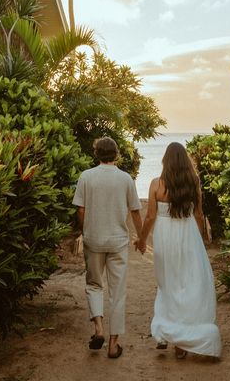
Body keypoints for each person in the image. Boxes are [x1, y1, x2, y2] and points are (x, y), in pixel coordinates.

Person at [135, 142, 221, 359]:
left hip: (165, 239)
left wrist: (142, 240)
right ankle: (179, 341)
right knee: (188, 283)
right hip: (188, 235)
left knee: (167, 284)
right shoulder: (194, 182)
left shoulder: (156, 184)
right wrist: (202, 239)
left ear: (165, 160)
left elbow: (150, 217)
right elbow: (199, 215)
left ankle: (166, 334)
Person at [73, 137, 142, 359]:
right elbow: (135, 211)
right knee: (117, 292)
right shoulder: (126, 179)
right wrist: (141, 237)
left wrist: (85, 230)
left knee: (94, 285)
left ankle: (99, 329)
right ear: (116, 153)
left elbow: (81, 209)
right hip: (118, 241)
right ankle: (113, 345)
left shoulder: (86, 177)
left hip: (94, 239)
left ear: (96, 154)